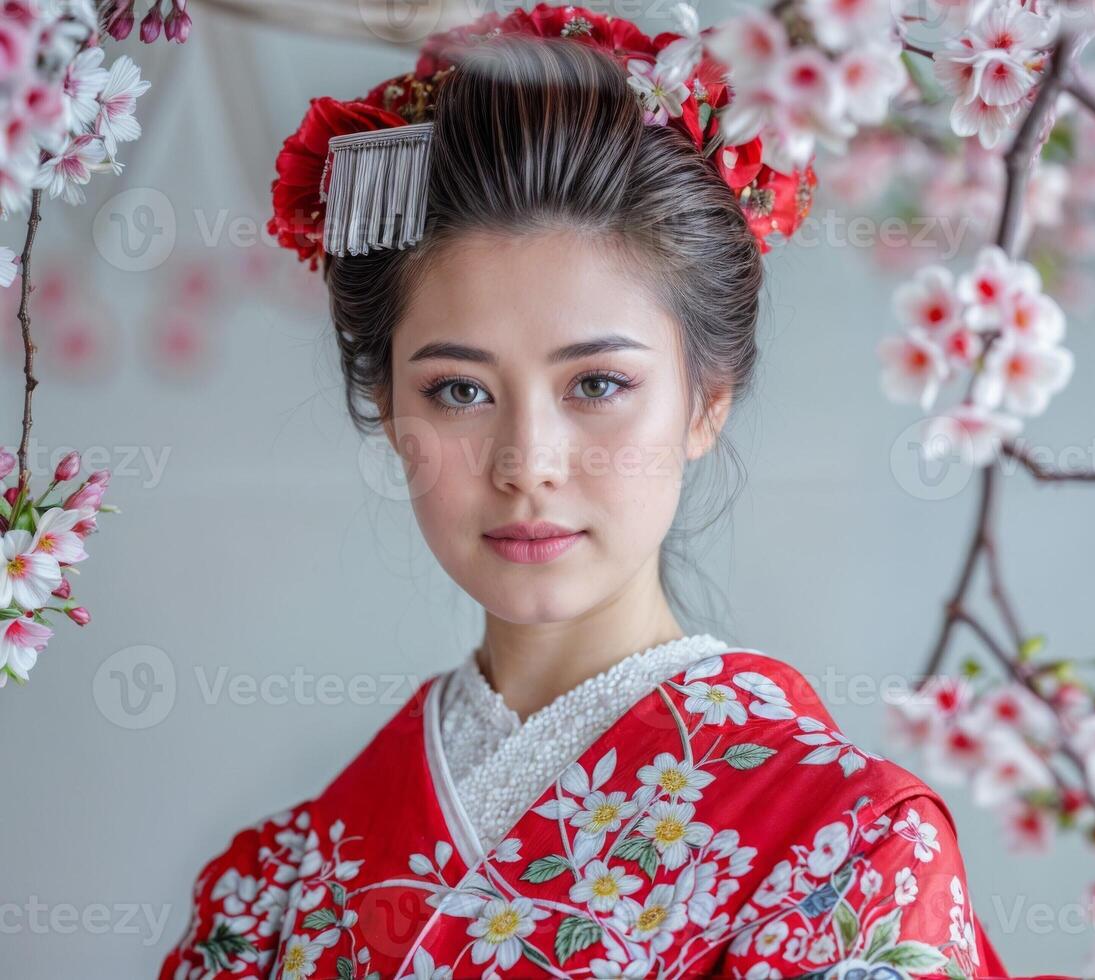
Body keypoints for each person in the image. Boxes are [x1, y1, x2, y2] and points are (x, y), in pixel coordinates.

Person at [157, 9, 1016, 979]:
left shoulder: (844, 851)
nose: (528, 460)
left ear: (707, 400)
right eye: (459, 390)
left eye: (597, 385)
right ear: (392, 413)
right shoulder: (275, 889)